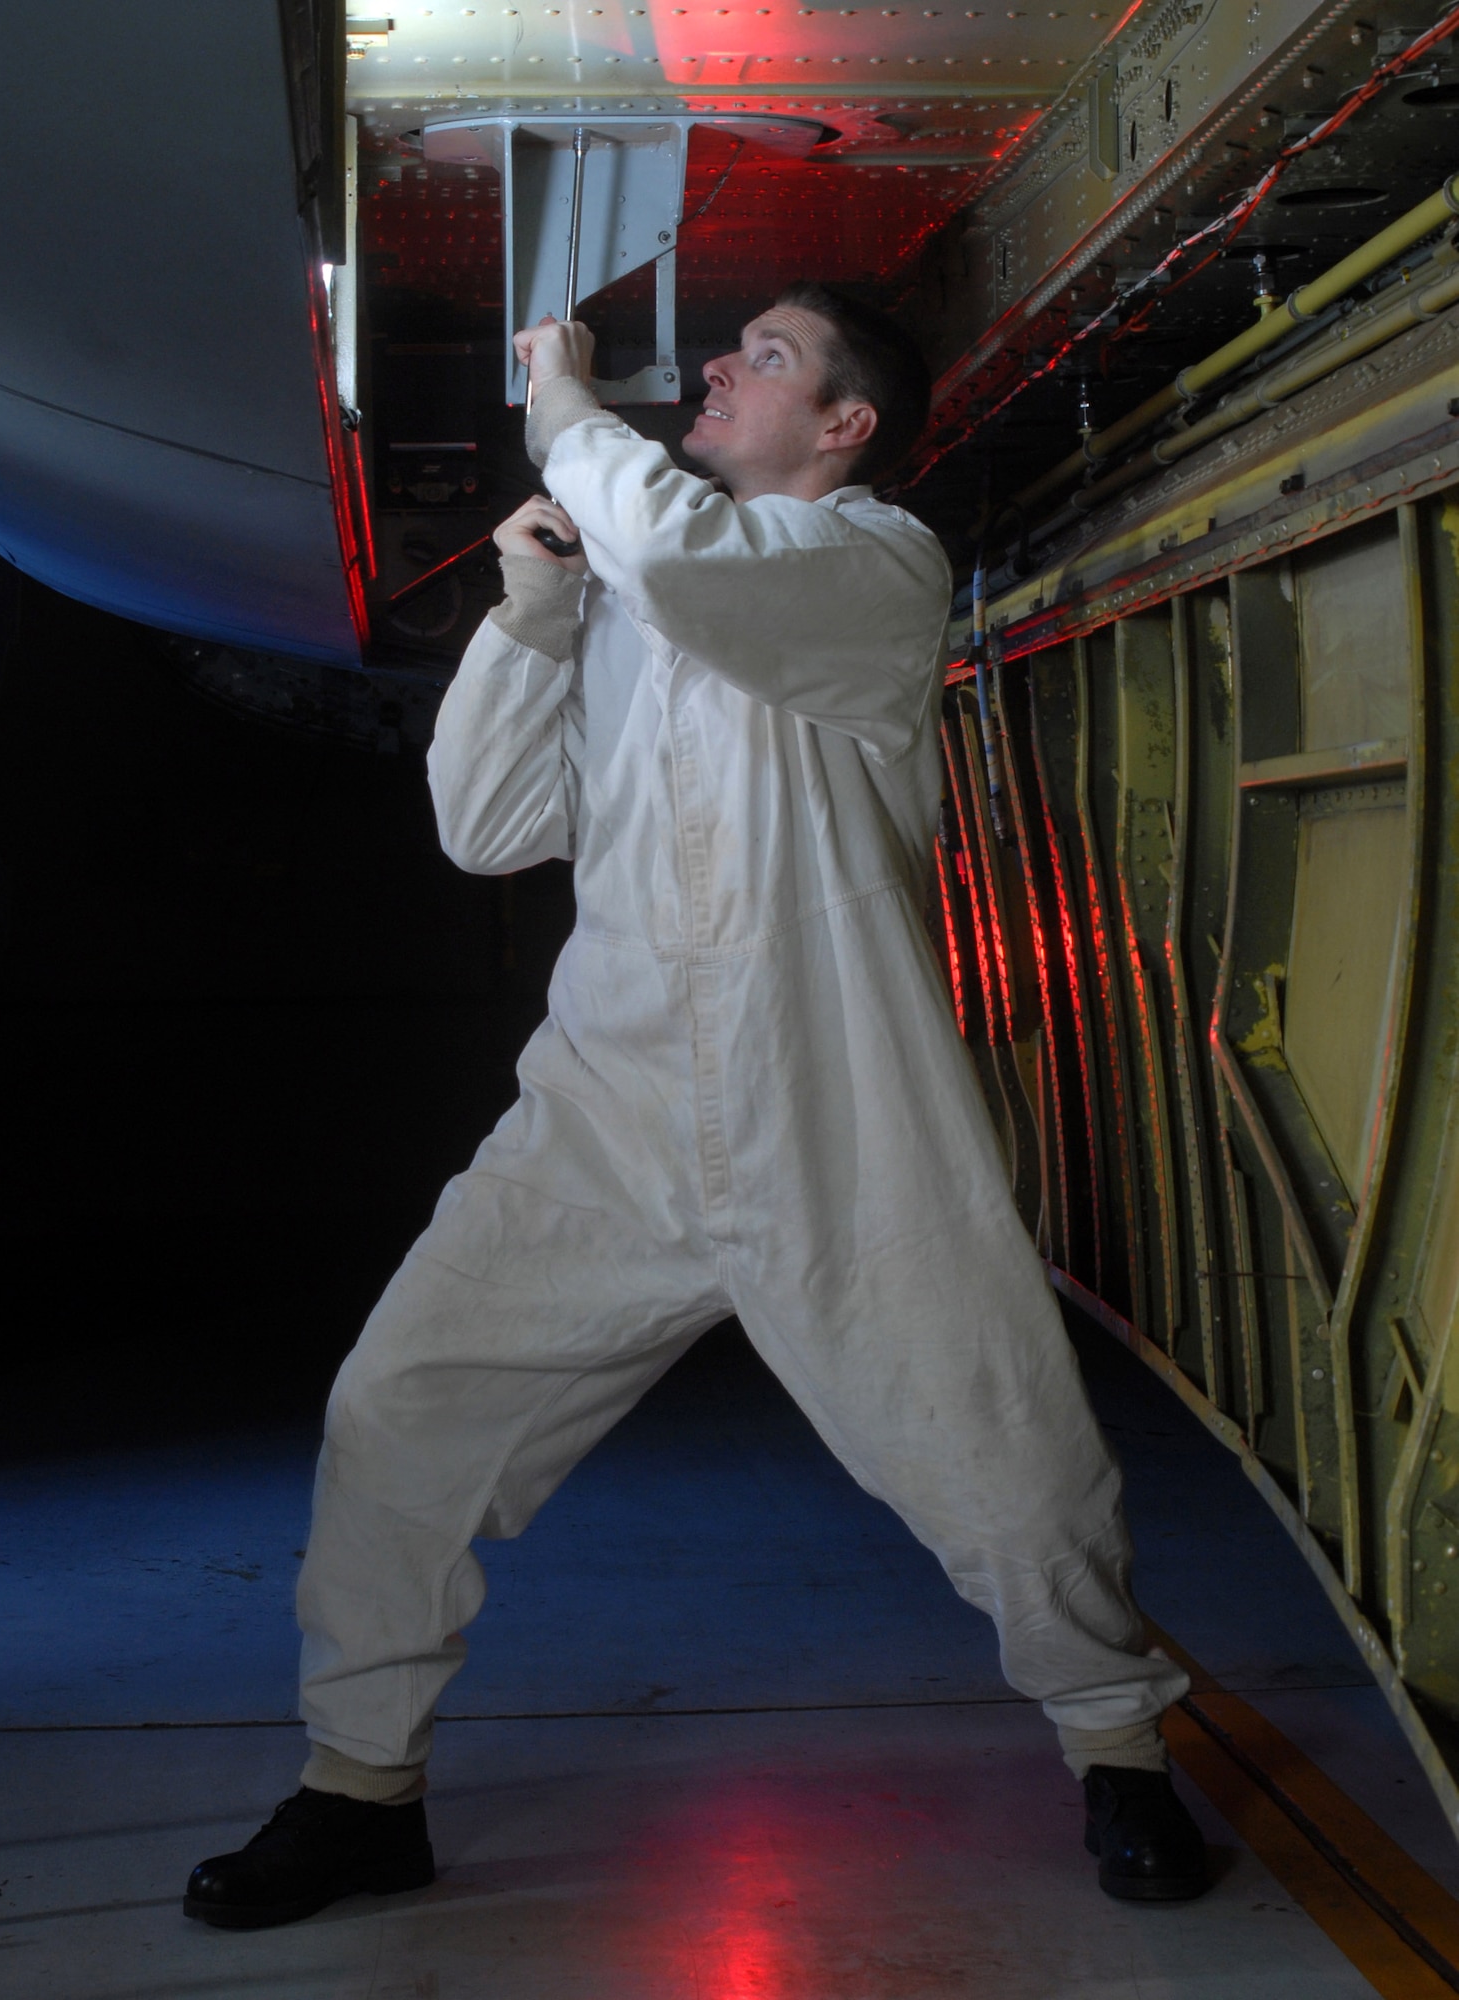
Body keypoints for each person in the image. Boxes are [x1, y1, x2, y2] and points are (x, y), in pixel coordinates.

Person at [184, 283, 1207, 1931]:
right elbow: (485, 826)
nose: (722, 363)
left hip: (840, 1118)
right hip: (610, 1116)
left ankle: (1119, 1751)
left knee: (1008, 1459)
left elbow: (680, 559)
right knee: (402, 1415)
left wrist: (565, 408)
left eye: (768, 356)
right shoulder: (635, 596)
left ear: (846, 426)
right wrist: (531, 616)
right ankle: (359, 1792)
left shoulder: (869, 563)